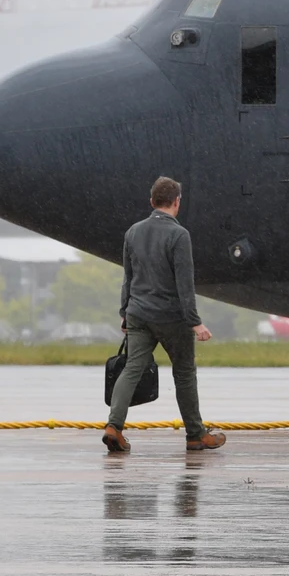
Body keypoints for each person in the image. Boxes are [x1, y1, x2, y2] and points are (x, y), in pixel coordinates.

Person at [104, 177, 226, 454]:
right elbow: (185, 283)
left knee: (132, 368)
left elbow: (128, 277)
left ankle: (114, 426)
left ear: (151, 202)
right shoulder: (179, 235)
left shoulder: (132, 232)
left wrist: (124, 312)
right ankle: (195, 435)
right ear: (177, 202)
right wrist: (195, 322)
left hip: (137, 313)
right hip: (171, 317)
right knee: (184, 374)